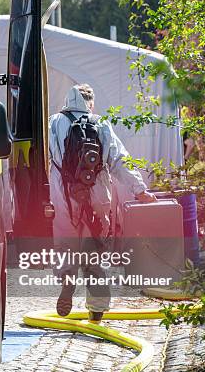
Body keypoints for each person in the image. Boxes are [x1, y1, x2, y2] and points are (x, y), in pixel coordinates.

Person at [49, 84, 156, 324]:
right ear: (91, 103)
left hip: (64, 197)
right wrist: (140, 190)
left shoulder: (54, 123)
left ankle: (67, 281)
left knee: (66, 244)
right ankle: (96, 308)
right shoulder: (101, 124)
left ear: (67, 101)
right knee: (94, 250)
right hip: (97, 197)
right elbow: (119, 160)